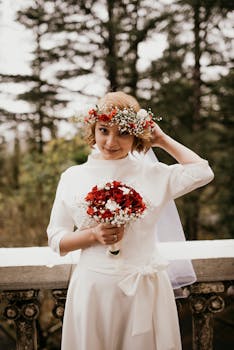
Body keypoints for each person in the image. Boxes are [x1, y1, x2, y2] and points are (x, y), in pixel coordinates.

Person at [47, 91, 214, 350]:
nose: (111, 141)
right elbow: (56, 240)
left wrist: (161, 140)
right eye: (104, 130)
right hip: (93, 292)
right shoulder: (72, 177)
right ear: (94, 129)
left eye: (123, 132)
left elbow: (202, 172)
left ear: (136, 135)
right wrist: (92, 235)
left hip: (144, 292)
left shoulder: (154, 174)